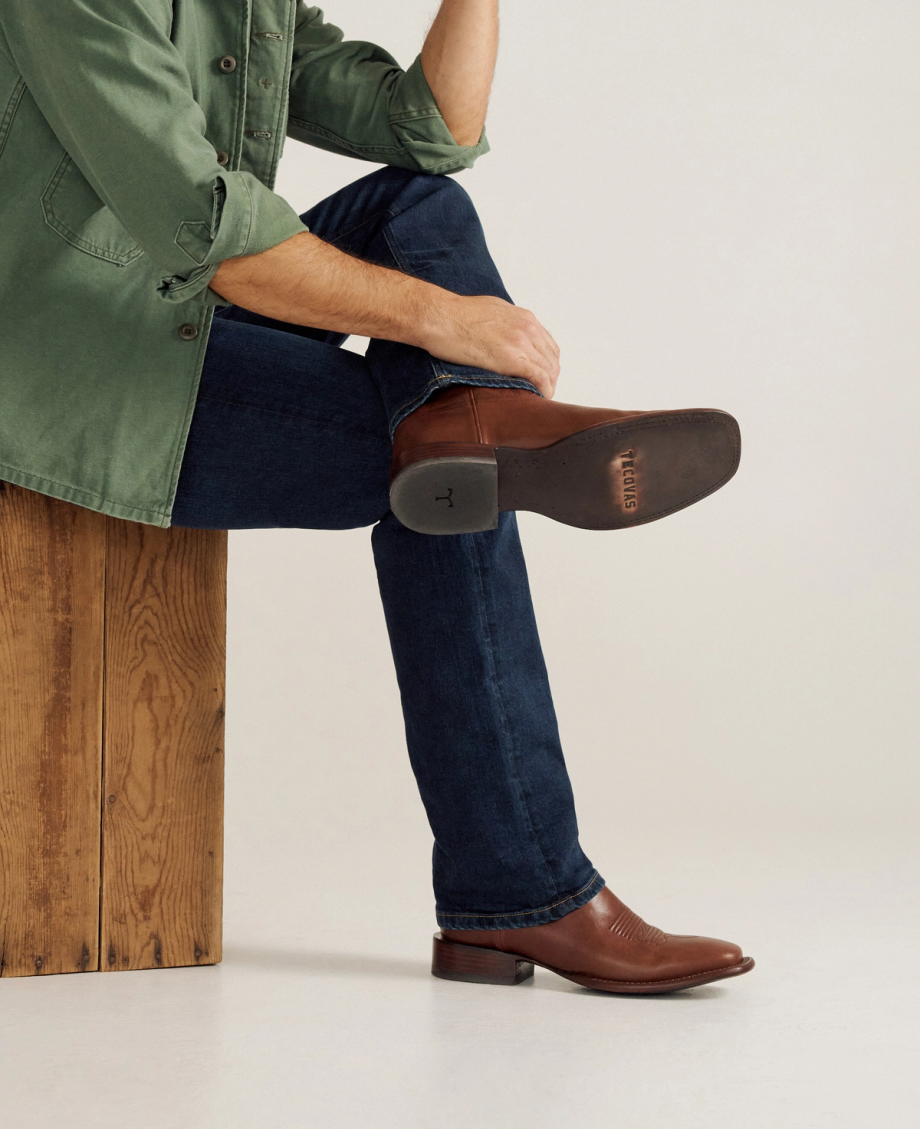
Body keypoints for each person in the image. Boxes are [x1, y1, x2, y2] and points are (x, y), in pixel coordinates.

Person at [0, 0, 753, 993]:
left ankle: (465, 421)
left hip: (180, 320)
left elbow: (430, 133)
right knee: (444, 468)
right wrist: (452, 322)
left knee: (419, 212)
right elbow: (209, 227)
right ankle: (518, 894)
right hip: (68, 362)